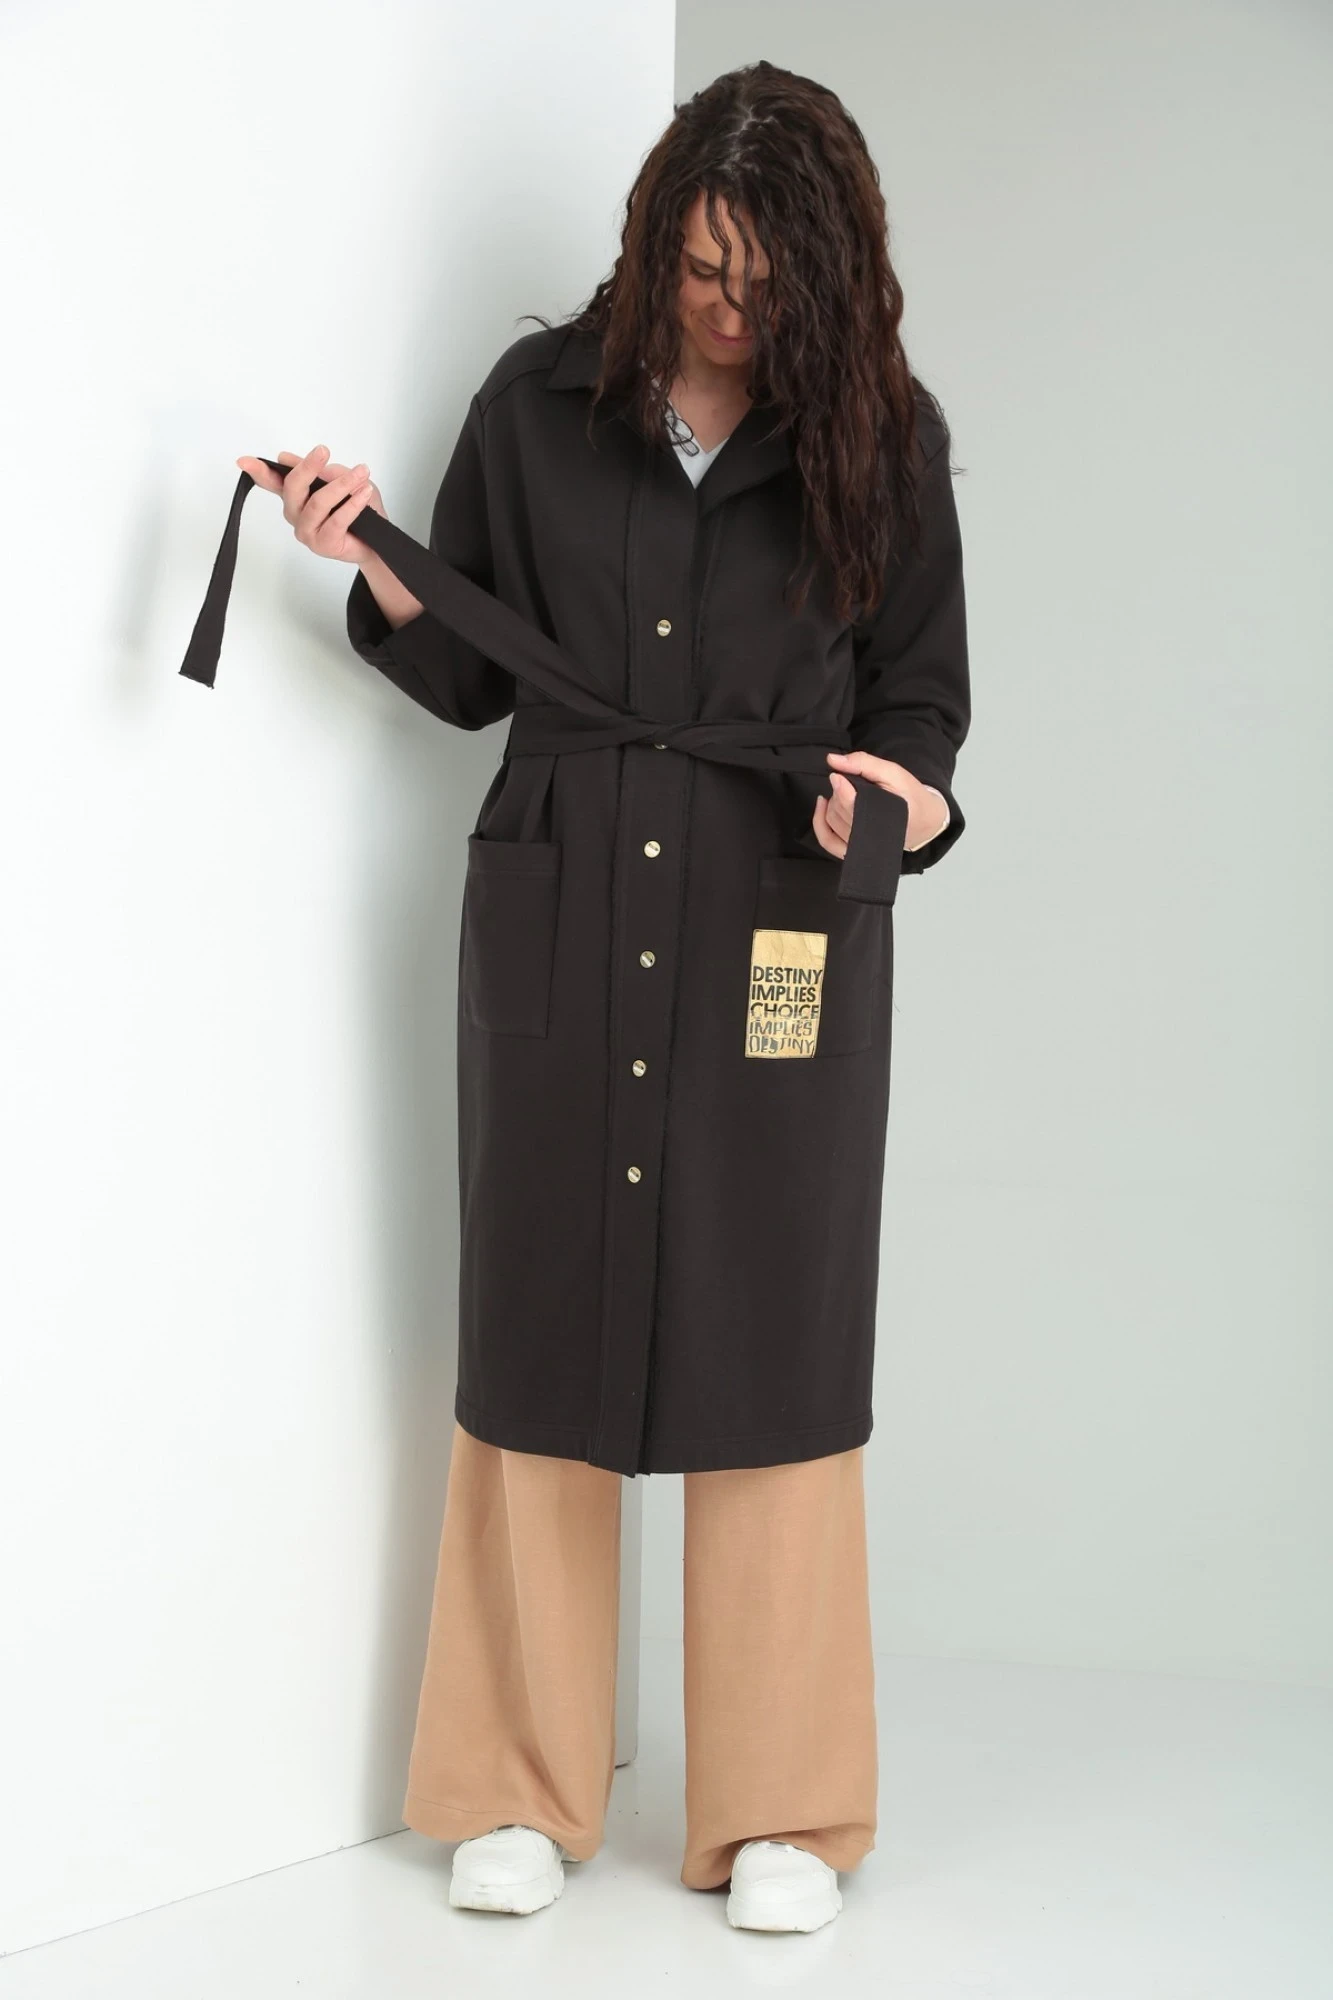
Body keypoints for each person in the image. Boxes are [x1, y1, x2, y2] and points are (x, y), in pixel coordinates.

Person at [238, 59, 969, 1935]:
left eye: (767, 284)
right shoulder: (537, 406)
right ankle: (513, 1784)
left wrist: (900, 801)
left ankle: (784, 1806)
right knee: (539, 1322)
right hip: (563, 914)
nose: (730, 311)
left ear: (828, 277)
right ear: (655, 242)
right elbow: (473, 670)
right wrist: (370, 559)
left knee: (773, 1323)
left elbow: (921, 704)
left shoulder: (883, 438)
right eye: (704, 268)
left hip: (782, 923)